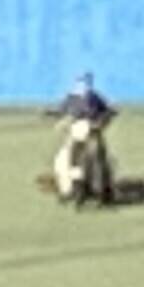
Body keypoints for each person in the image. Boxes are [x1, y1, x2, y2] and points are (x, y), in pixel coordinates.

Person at [50, 71, 118, 205]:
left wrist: (101, 121)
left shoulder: (95, 98)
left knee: (98, 156)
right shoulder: (71, 99)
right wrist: (56, 117)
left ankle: (102, 190)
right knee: (63, 159)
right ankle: (67, 189)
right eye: (81, 81)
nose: (84, 85)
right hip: (75, 131)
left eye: (86, 82)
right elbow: (61, 112)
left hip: (92, 132)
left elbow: (107, 111)